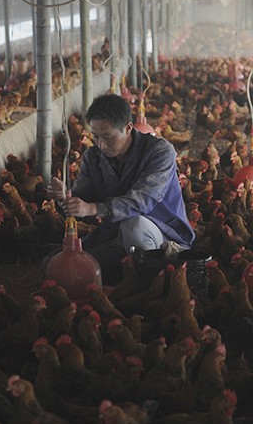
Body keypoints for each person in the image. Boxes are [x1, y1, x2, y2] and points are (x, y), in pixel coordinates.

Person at [48, 94, 194, 283]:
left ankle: (154, 283)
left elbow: (142, 199)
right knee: (53, 264)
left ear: (127, 128)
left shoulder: (159, 151)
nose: (100, 144)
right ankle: (128, 274)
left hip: (162, 235)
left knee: (133, 225)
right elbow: (82, 201)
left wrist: (93, 208)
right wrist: (65, 199)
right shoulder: (93, 157)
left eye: (107, 136)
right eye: (96, 136)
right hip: (115, 236)